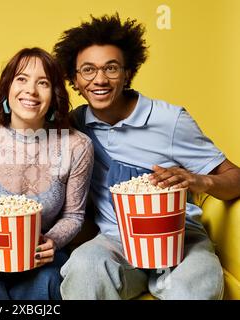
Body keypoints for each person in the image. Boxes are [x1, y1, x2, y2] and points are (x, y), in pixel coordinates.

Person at [52, 13, 240, 300]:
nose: (99, 79)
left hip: (182, 240)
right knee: (84, 267)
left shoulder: (170, 120)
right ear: (74, 79)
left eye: (111, 68)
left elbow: (235, 178)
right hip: (116, 242)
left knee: (194, 288)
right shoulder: (75, 126)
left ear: (128, 73)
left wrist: (200, 181)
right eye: (88, 70)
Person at [0, 47, 94, 300]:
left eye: (43, 83)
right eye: (21, 79)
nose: (31, 90)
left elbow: (74, 215)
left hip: (42, 256)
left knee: (48, 280)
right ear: (7, 87)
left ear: (55, 95)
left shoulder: (77, 145)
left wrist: (52, 242)